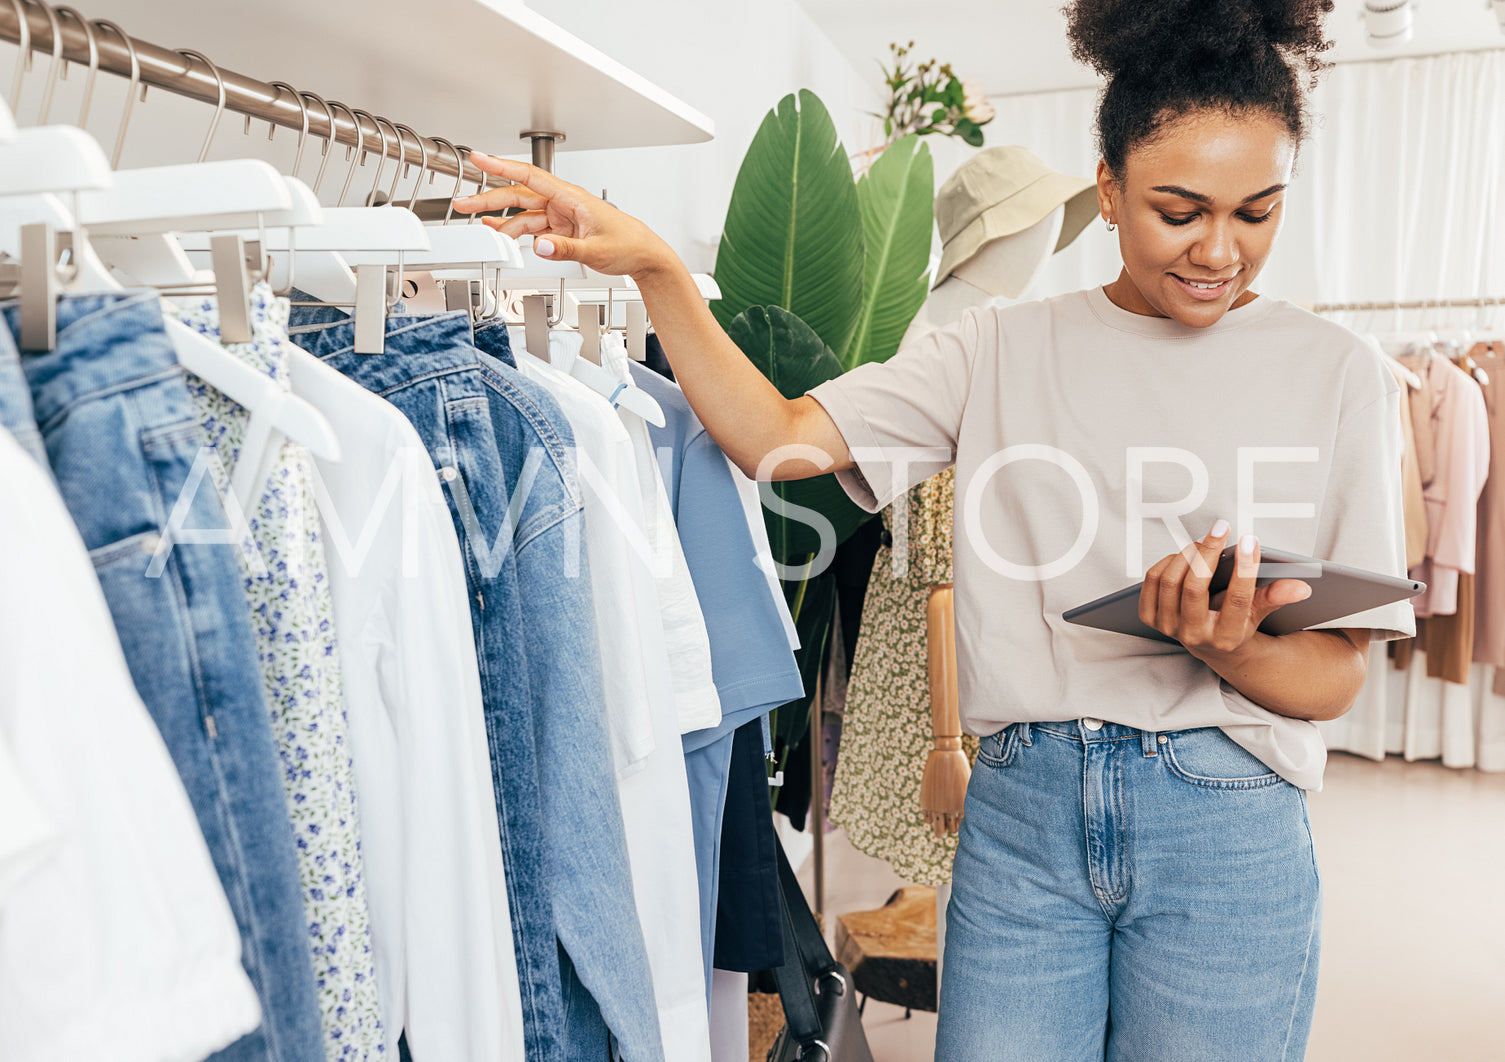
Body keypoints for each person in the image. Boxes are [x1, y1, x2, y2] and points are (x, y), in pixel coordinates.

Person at [454, 0, 1413, 1056]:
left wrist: (1221, 641)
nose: (1218, 250)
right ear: (1106, 189)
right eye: (1177, 210)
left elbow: (1332, 677)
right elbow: (773, 435)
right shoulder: (995, 348)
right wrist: (658, 274)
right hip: (1022, 822)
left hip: (1225, 821)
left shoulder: (1340, 379)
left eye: (1256, 212)